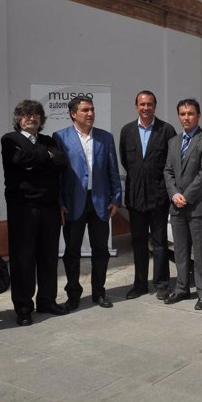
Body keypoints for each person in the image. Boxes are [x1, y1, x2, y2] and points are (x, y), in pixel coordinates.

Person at [1, 100, 68, 326]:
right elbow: (18, 161)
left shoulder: (49, 141)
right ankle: (23, 307)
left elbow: (60, 162)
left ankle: (47, 300)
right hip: (23, 209)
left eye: (36, 114)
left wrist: (39, 159)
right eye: (27, 114)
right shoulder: (10, 140)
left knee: (48, 256)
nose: (32, 118)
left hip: (49, 207)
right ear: (18, 118)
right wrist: (45, 157)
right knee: (23, 259)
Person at [53, 96, 122, 310]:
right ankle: (73, 294)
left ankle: (99, 293)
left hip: (100, 202)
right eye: (85, 110)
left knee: (100, 250)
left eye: (92, 109)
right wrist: (59, 202)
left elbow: (113, 169)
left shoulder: (105, 138)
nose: (90, 113)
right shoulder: (60, 137)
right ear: (74, 114)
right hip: (73, 203)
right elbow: (57, 175)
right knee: (71, 252)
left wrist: (116, 198)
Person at [119, 90, 176, 301]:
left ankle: (162, 284)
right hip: (135, 198)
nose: (146, 108)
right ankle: (140, 284)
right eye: (142, 104)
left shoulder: (166, 130)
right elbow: (126, 160)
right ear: (136, 106)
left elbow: (171, 163)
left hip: (159, 197)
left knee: (160, 243)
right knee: (138, 242)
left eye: (150, 104)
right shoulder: (127, 131)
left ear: (155, 106)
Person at [164, 98, 202, 310]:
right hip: (177, 205)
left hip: (200, 206)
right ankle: (181, 288)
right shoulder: (174, 142)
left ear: (198, 115)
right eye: (182, 114)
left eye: (190, 113)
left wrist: (186, 196)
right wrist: (174, 194)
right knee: (180, 251)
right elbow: (168, 172)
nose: (186, 117)